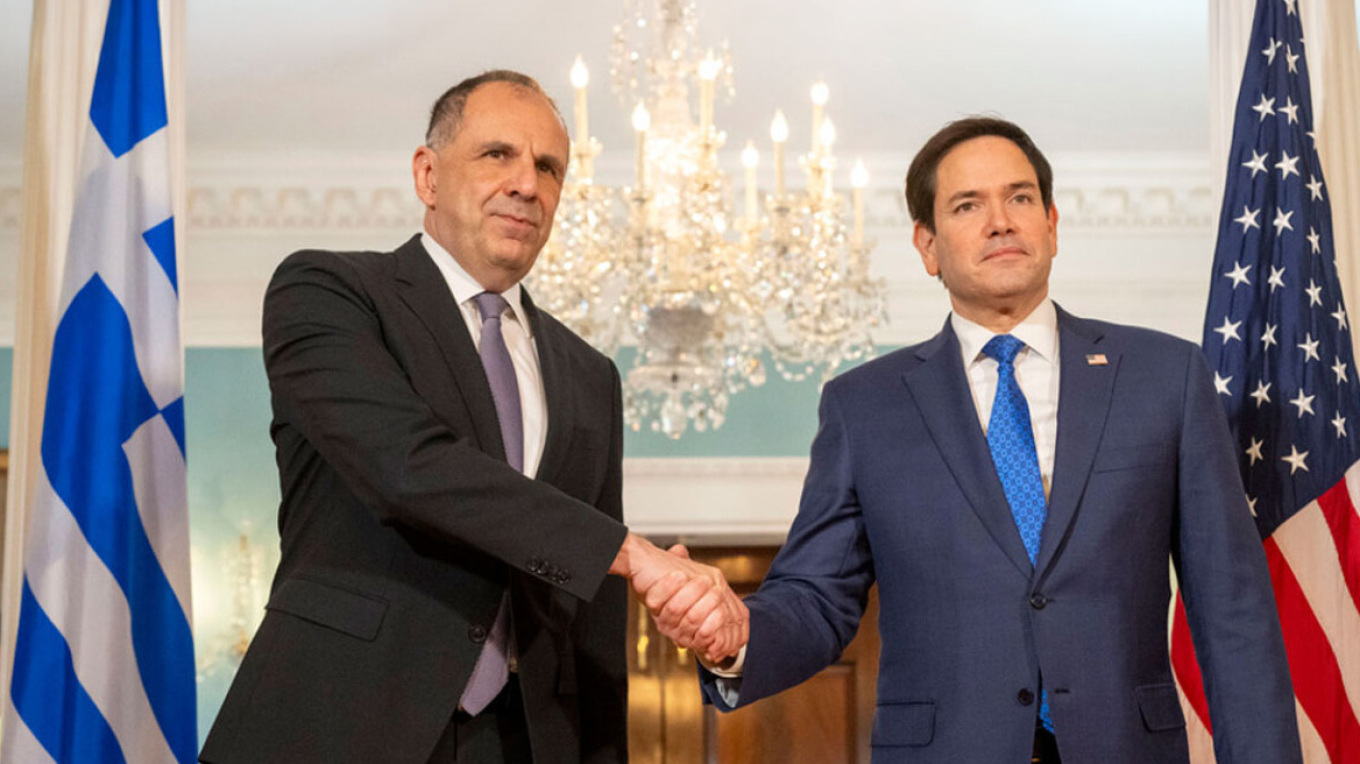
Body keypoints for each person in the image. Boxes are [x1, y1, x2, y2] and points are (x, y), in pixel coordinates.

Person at [650, 116, 1303, 763]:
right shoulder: (864, 406)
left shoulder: (1165, 376)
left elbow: (1233, 612)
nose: (1000, 222)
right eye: (967, 205)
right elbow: (816, 599)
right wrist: (734, 637)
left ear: (1051, 224)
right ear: (927, 245)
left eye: (1020, 198)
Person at [199, 70, 744, 764]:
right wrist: (632, 552)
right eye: (497, 154)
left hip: (524, 739)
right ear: (427, 175)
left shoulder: (590, 374)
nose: (527, 184)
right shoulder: (328, 291)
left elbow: (592, 621)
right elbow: (408, 467)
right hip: (337, 722)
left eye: (549, 168)